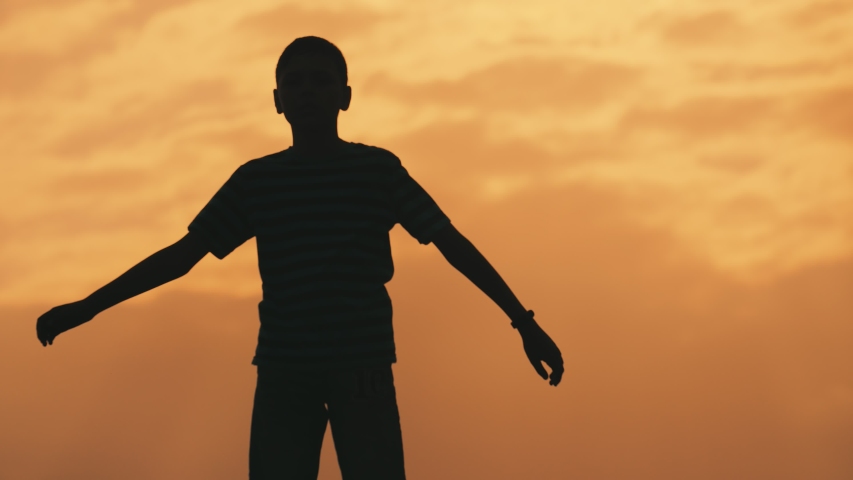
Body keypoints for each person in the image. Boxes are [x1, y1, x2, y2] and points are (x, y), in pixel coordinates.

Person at [36, 36, 564, 480]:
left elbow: (452, 242)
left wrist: (523, 322)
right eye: (295, 83)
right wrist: (88, 307)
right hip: (285, 371)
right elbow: (182, 256)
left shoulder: (377, 171)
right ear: (277, 100)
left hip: (363, 367)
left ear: (346, 96)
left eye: (321, 81)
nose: (307, 91)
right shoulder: (257, 182)